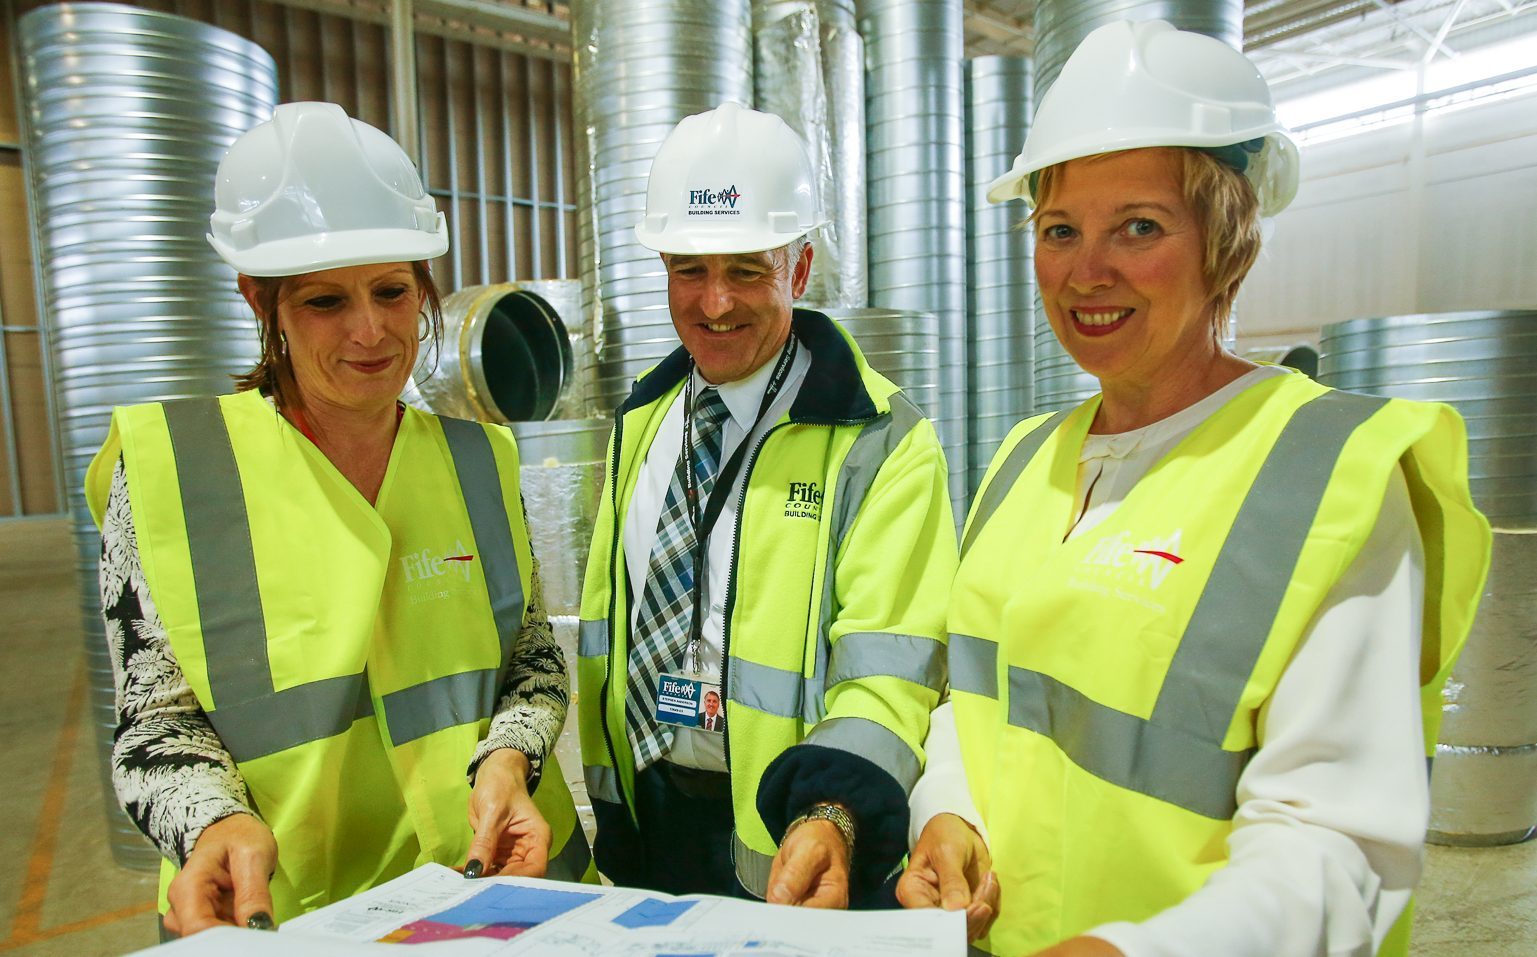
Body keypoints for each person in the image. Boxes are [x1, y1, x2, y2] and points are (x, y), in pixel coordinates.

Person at [895, 21, 1490, 957]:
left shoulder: (1323, 476)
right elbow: (974, 704)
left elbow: (1338, 848)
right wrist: (948, 815)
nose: (1087, 271)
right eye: (1059, 230)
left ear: (1229, 243)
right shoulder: (1023, 457)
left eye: (1139, 225)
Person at [85, 102, 592, 937]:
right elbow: (155, 718)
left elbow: (530, 656)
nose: (371, 332)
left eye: (392, 291)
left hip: (496, 890)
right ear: (261, 299)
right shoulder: (173, 473)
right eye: (325, 302)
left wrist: (510, 755)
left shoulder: (479, 458)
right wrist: (211, 822)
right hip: (289, 915)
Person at [577, 101, 955, 908]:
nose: (714, 303)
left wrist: (833, 808)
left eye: (746, 269)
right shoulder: (641, 423)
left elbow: (890, 670)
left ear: (800, 267)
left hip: (799, 835)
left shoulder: (878, 443)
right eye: (689, 270)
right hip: (648, 822)